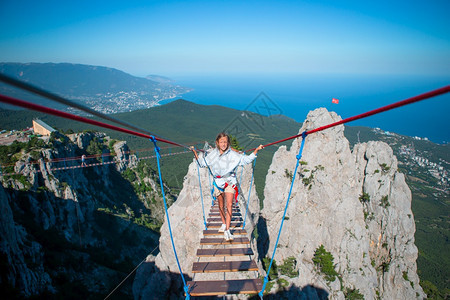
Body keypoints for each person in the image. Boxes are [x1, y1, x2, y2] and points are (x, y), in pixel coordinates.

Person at [191, 132, 263, 241]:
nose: (223, 144)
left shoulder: (233, 155)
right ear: (217, 143)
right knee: (221, 205)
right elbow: (202, 164)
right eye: (221, 142)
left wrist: (256, 151)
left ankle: (227, 230)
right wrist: (195, 153)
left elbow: (246, 160)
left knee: (229, 205)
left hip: (230, 181)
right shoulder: (213, 155)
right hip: (218, 182)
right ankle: (224, 223)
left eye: (225, 142)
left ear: (228, 143)